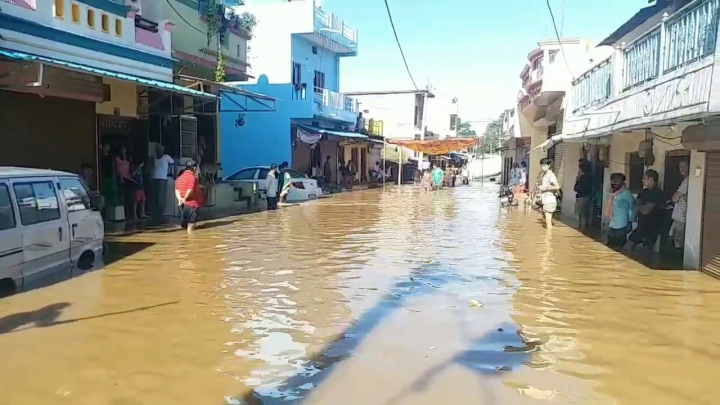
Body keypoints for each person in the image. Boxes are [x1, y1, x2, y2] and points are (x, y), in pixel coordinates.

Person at [629, 169, 665, 250]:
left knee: (646, 252)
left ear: (651, 179)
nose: (643, 180)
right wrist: (643, 206)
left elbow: (646, 211)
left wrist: (641, 207)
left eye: (645, 178)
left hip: (652, 228)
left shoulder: (658, 193)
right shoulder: (643, 192)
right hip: (641, 227)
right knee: (628, 246)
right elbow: (635, 206)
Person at [604, 173, 636, 249]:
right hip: (612, 223)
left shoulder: (626, 193)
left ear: (622, 182)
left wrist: (630, 221)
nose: (614, 183)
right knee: (610, 245)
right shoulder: (611, 193)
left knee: (619, 247)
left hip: (622, 224)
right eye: (613, 180)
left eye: (617, 180)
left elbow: (633, 207)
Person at [175, 160, 203, 234]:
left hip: (184, 204)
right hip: (192, 204)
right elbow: (189, 190)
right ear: (193, 168)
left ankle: (185, 241)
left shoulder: (180, 177)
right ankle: (191, 241)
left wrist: (180, 199)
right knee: (191, 225)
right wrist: (184, 198)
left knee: (185, 224)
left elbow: (177, 190)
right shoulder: (192, 177)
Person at [670, 160, 689, 249]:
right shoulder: (686, 180)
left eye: (683, 166)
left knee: (678, 241)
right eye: (680, 166)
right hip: (680, 216)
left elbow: (675, 198)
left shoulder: (686, 181)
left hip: (681, 216)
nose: (681, 169)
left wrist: (678, 195)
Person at [152, 145, 175, 218]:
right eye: (157, 149)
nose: (159, 151)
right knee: (155, 196)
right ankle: (155, 212)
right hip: (154, 178)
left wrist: (174, 174)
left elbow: (174, 164)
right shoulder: (154, 157)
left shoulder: (166, 157)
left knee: (161, 197)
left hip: (162, 179)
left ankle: (161, 213)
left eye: (160, 149)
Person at [537, 158, 559, 229]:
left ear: (549, 165)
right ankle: (548, 237)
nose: (542, 167)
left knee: (548, 221)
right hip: (546, 200)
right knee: (546, 220)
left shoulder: (551, 175)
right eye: (542, 166)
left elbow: (557, 186)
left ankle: (548, 238)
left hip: (550, 200)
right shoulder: (544, 174)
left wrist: (545, 188)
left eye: (544, 165)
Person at [574, 160, 593, 231]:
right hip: (585, 197)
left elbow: (576, 188)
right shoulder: (589, 177)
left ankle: (582, 229)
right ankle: (582, 228)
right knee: (583, 214)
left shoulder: (583, 178)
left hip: (582, 197)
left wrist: (577, 180)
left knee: (582, 214)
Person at [100, 143, 118, 207]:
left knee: (112, 190)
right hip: (104, 176)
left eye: (107, 147)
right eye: (105, 147)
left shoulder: (111, 157)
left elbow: (113, 167)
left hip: (110, 175)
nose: (106, 149)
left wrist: (114, 175)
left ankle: (112, 203)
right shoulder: (99, 157)